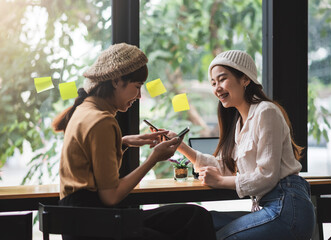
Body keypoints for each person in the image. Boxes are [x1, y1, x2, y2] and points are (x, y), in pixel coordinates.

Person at [52, 43, 216, 240]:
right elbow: (111, 197)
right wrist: (153, 158)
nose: (139, 96)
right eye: (137, 87)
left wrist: (124, 142)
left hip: (79, 223)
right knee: (195, 220)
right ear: (116, 81)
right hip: (97, 226)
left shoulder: (84, 111)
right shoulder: (102, 121)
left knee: (192, 216)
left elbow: (90, 155)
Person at [169, 50, 316, 240]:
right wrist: (179, 146)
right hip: (273, 206)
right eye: (213, 83)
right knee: (203, 222)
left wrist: (220, 181)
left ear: (245, 79)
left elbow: (266, 176)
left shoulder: (266, 111)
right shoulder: (240, 123)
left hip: (288, 210)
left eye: (222, 79)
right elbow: (224, 166)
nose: (217, 88)